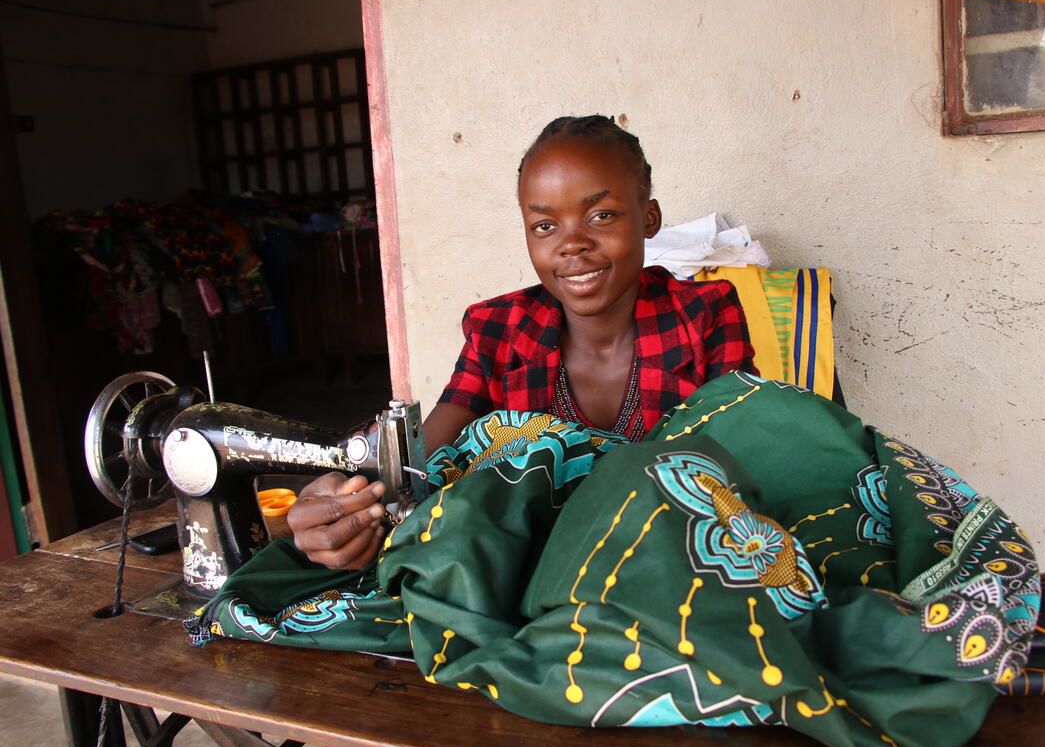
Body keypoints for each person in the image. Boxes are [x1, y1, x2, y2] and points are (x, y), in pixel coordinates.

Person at [288, 116, 757, 569]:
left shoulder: (704, 316)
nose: (572, 244)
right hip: (528, 569)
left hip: (670, 561)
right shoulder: (499, 330)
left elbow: (742, 461)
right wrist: (352, 501)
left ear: (649, 218)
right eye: (545, 226)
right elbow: (422, 463)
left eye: (601, 215)